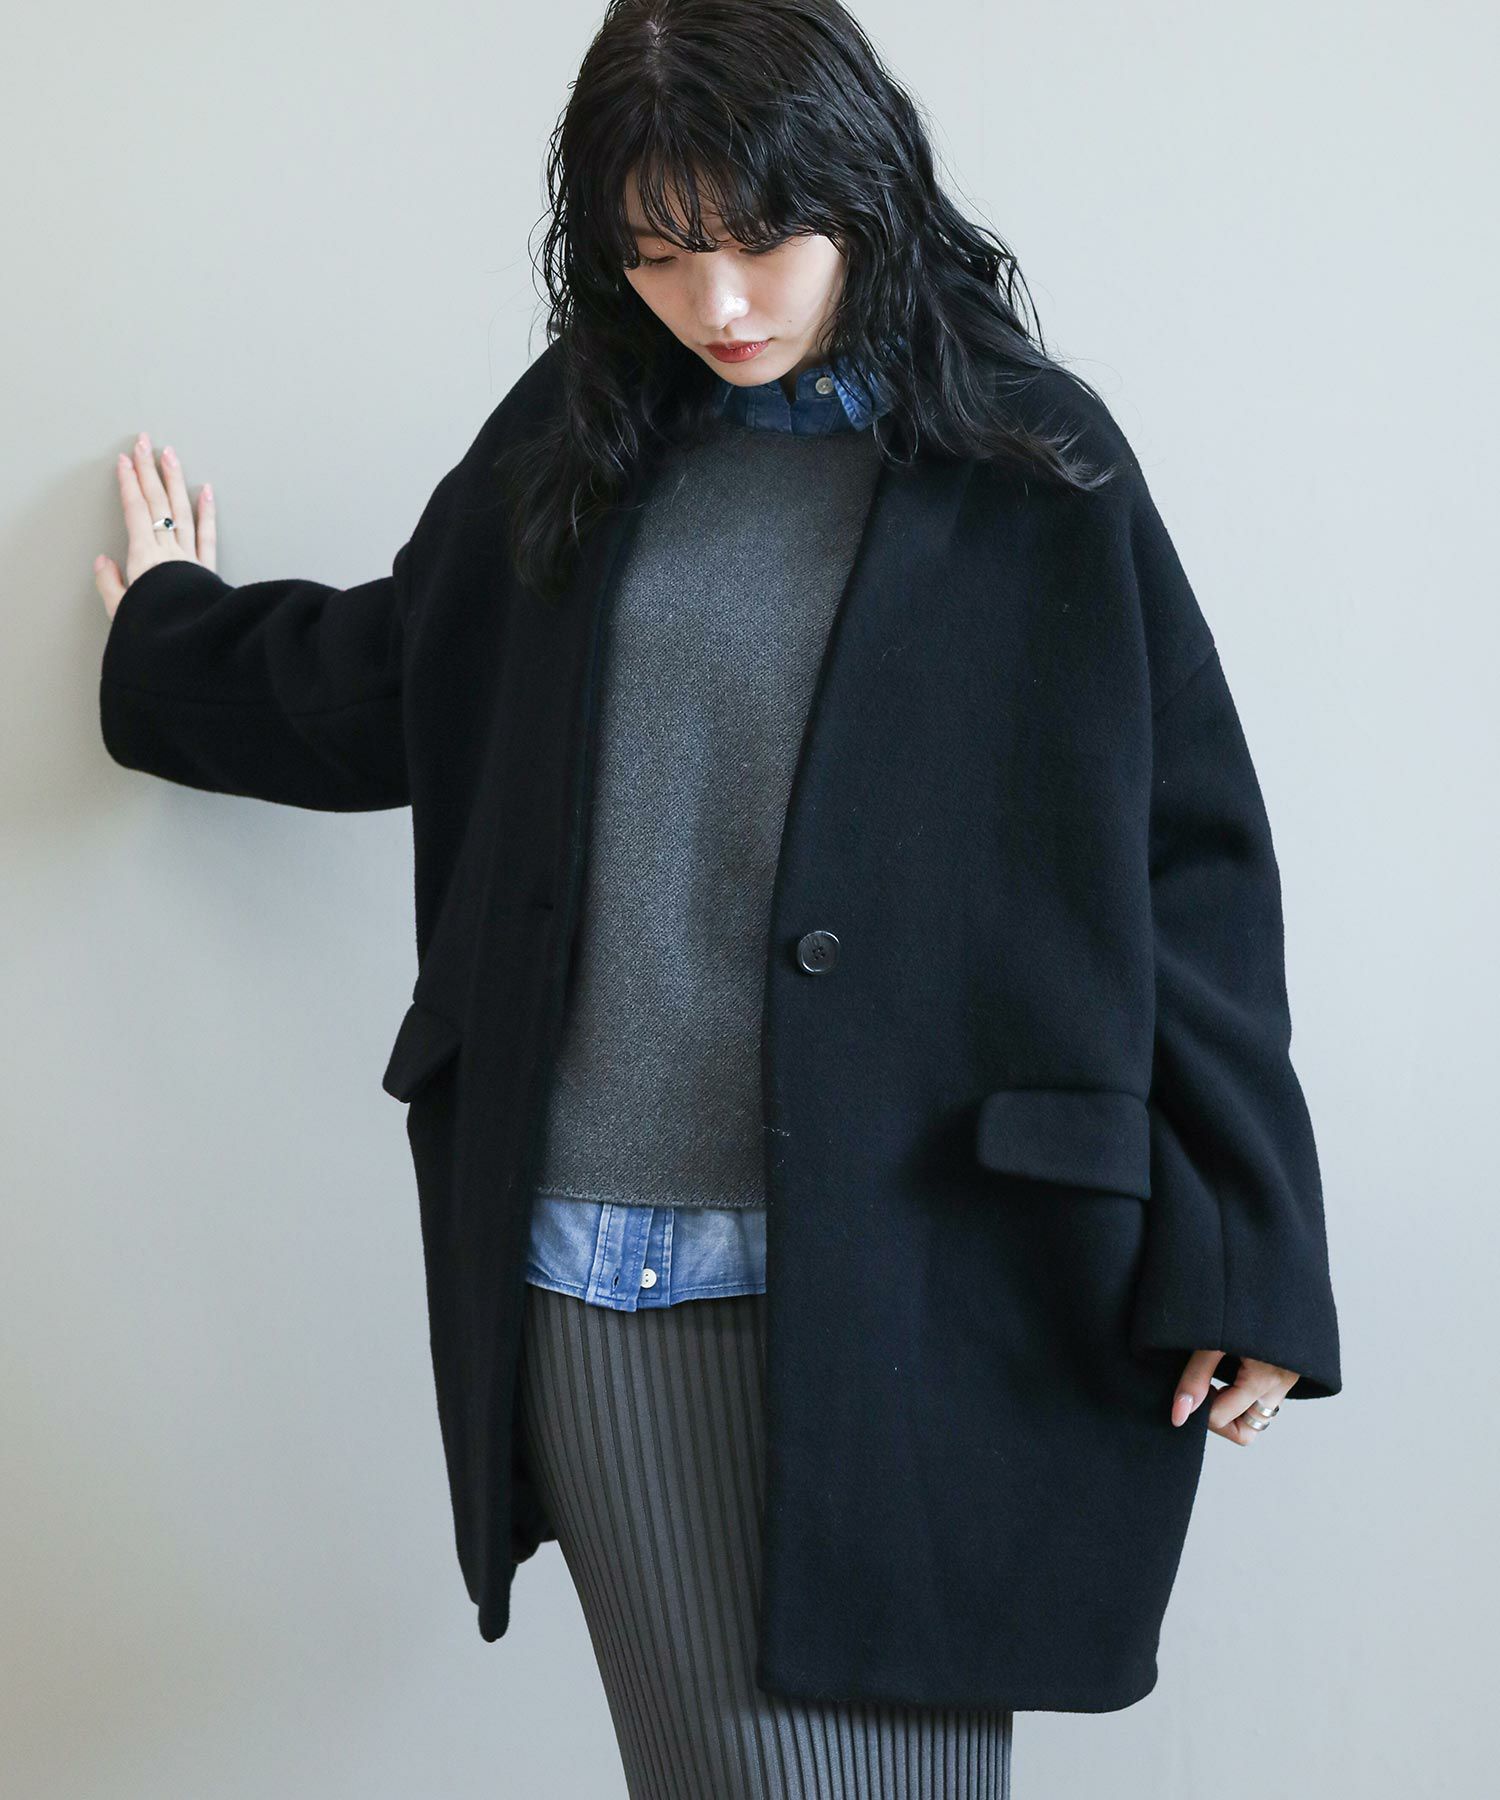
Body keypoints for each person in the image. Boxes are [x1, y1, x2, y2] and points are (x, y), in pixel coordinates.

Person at [94, 3, 1341, 1795]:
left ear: (864, 190)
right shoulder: (577, 436)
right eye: (662, 253)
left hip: (938, 1275)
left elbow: (1188, 857)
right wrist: (169, 635)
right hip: (611, 1260)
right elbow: (396, 680)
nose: (722, 303)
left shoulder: (1033, 465)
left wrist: (1244, 1239)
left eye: (762, 240)